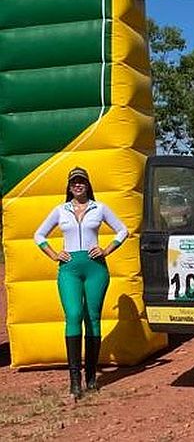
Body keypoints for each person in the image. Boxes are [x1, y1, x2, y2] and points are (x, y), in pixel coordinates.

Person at [34, 167, 128, 399]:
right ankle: (74, 381)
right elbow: (39, 235)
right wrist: (54, 254)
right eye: (74, 182)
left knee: (93, 318)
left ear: (88, 184)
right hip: (69, 269)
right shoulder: (60, 210)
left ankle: (91, 378)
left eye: (82, 181)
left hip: (95, 268)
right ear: (69, 186)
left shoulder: (100, 207)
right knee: (74, 315)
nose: (78, 185)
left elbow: (123, 230)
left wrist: (106, 249)